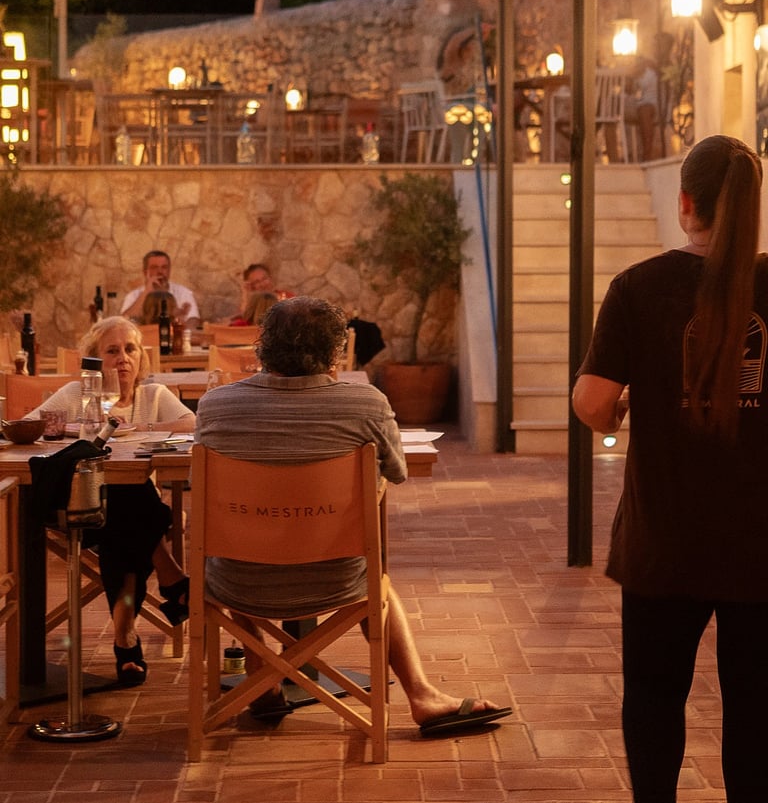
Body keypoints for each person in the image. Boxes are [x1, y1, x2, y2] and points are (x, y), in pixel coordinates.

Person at [195, 295, 512, 735]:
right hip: (338, 578)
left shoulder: (215, 407)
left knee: (230, 540)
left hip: (238, 583)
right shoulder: (366, 404)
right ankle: (420, 694)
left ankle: (258, 672)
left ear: (263, 347)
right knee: (375, 574)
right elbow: (397, 472)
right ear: (335, 353)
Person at [572, 135, 768, 802]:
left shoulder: (639, 287)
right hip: (761, 540)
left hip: (666, 535)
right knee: (758, 713)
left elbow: (593, 402)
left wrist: (621, 411)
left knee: (655, 700)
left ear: (686, 202)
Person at [28, 316, 195, 687]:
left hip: (121, 517)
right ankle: (172, 578)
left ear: (141, 358)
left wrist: (139, 429)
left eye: (130, 349)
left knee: (125, 508)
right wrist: (73, 431)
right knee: (132, 504)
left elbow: (190, 424)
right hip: (75, 508)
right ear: (93, 359)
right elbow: (32, 424)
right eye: (112, 351)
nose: (123, 358)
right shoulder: (75, 394)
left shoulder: (152, 396)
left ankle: (125, 638)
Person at [121, 250, 199, 327]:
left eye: (164, 267)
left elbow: (193, 321)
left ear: (169, 271)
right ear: (145, 272)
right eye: (154, 267)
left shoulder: (183, 292)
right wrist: (146, 292)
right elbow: (124, 322)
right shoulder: (133, 296)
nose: (160, 271)